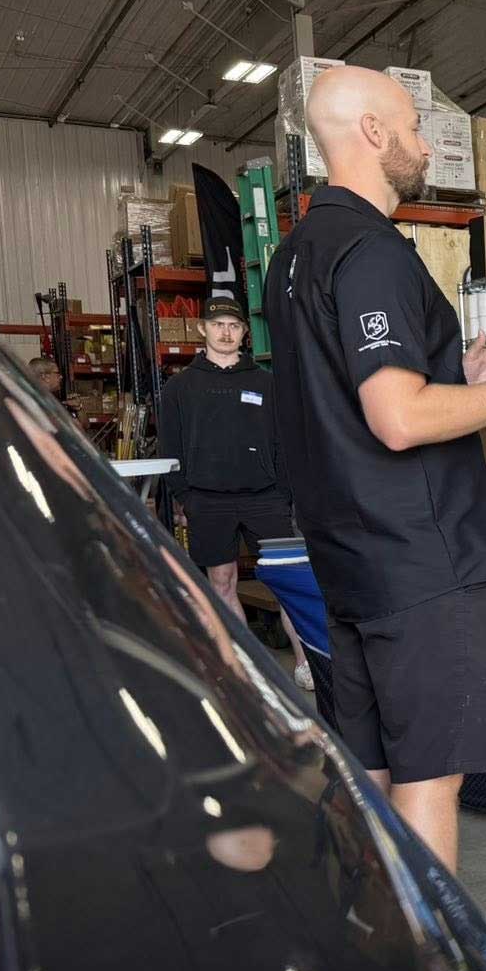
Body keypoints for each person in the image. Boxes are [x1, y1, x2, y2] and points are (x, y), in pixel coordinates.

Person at [263, 65, 486, 874]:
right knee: (428, 782)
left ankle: (375, 952)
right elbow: (396, 418)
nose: (421, 143)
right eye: (410, 125)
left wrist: (460, 381)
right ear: (372, 133)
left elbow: (350, 396)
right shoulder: (370, 250)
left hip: (351, 563)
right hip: (422, 569)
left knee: (367, 776)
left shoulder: (294, 256)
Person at [157, 293, 312, 691]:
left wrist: (284, 491)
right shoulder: (180, 387)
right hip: (207, 500)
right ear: (202, 329)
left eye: (234, 326)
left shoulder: (266, 382)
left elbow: (286, 441)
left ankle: (306, 663)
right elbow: (169, 446)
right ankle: (250, 669)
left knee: (287, 582)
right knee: (221, 581)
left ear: (244, 332)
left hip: (266, 499)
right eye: (218, 325)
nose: (226, 332)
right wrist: (185, 495)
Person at [29, 356, 85, 423]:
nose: (61, 377)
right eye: (57, 373)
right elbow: (78, 428)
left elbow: (86, 425)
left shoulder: (53, 400)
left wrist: (78, 407)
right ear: (45, 377)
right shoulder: (38, 403)